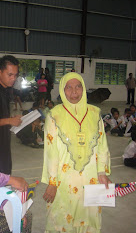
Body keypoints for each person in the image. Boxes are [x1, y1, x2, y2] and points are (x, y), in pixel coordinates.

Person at [42, 72, 111, 233]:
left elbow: (102, 145)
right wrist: (52, 182)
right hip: (64, 180)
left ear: (84, 88)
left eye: (78, 87)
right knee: (62, 219)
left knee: (89, 219)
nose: (74, 92)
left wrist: (102, 171)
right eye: (69, 88)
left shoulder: (95, 113)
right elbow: (51, 152)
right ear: (62, 90)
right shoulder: (54, 115)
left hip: (91, 177)